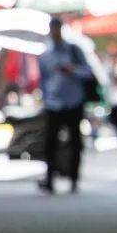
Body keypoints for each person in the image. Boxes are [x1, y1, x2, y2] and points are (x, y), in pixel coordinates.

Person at [36, 16, 93, 195]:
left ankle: (74, 179)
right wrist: (45, 98)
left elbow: (88, 73)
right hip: (53, 103)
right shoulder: (45, 55)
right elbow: (43, 80)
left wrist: (72, 70)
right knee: (50, 143)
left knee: (75, 142)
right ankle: (50, 178)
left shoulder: (74, 50)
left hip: (73, 101)